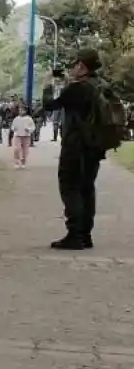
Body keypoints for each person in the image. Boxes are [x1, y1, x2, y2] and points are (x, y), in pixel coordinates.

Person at [42, 48, 105, 250]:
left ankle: (74, 235)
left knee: (70, 187)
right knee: (87, 188)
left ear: (82, 66)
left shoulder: (78, 89)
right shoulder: (99, 85)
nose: (72, 68)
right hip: (94, 146)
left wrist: (47, 84)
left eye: (75, 64)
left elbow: (50, 105)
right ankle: (85, 234)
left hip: (75, 145)